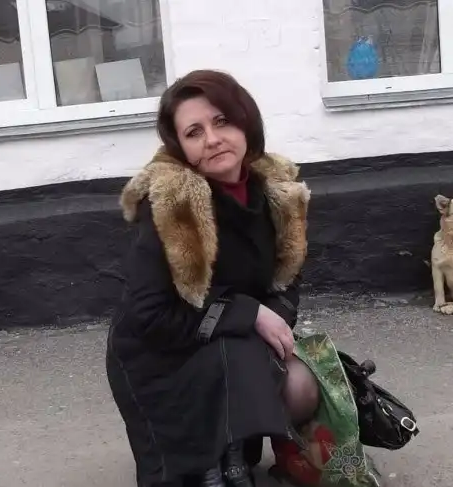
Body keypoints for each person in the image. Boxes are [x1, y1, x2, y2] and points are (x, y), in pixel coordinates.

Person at [105, 69, 320, 487]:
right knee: (238, 353)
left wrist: (268, 318)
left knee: (300, 385)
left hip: (229, 347)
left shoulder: (276, 192)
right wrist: (248, 314)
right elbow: (151, 315)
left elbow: (286, 280)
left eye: (222, 121)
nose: (213, 139)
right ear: (181, 148)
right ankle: (211, 461)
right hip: (161, 354)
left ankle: (234, 453)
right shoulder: (172, 205)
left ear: (245, 121)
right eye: (194, 132)